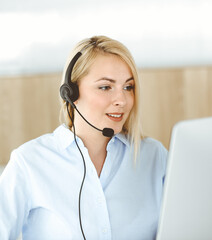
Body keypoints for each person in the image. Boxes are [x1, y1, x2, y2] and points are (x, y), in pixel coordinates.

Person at [0, 36, 167, 240]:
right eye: (105, 87)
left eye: (128, 87)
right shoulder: (29, 162)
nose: (122, 100)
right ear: (71, 93)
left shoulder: (154, 156)